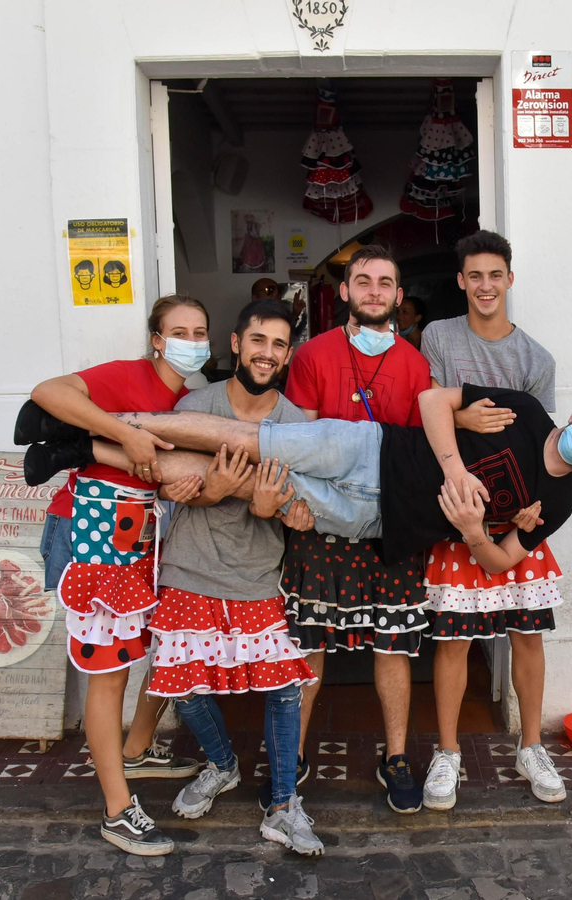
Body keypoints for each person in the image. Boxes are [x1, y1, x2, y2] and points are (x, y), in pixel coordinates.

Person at [24, 386, 572, 596]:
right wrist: (453, 468)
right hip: (369, 448)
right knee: (250, 439)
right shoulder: (526, 412)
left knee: (239, 482)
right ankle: (97, 424)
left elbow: (504, 560)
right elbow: (432, 401)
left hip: (373, 520)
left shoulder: (559, 504)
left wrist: (476, 532)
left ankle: (79, 451)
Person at [20, 295, 210, 856]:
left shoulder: (194, 399)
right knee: (109, 671)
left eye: (200, 331)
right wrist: (120, 435)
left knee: (160, 644)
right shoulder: (125, 376)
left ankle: (138, 747)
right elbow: (47, 393)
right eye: (179, 330)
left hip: (145, 534)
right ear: (156, 338)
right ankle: (116, 809)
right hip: (94, 534)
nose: (191, 340)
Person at [145, 298, 324, 857]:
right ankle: (221, 765)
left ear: (287, 353)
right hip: (190, 565)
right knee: (185, 684)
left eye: (278, 344)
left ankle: (283, 805)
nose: (266, 353)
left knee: (283, 690)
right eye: (257, 341)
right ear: (235, 343)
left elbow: (312, 509)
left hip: (256, 573)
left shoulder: (297, 425)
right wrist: (207, 492)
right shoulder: (193, 405)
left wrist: (283, 514)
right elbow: (154, 474)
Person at [276, 245, 434, 815]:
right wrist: (295, 505)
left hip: (389, 526)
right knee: (309, 641)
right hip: (319, 521)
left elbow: (420, 455)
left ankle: (394, 756)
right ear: (343, 292)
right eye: (361, 281)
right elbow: (299, 448)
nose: (373, 291)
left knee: (393, 644)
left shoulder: (417, 366)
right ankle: (290, 753)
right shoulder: (312, 355)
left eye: (384, 282)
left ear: (398, 295)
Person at [415, 229, 564, 810]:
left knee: (528, 636)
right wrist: (466, 424)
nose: (484, 285)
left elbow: (541, 442)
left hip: (521, 515)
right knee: (452, 641)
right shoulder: (438, 337)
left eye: (494, 275)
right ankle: (447, 754)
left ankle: (531, 746)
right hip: (457, 512)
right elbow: (429, 413)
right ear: (460, 281)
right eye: (473, 275)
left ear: (509, 279)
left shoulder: (536, 359)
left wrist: (533, 515)